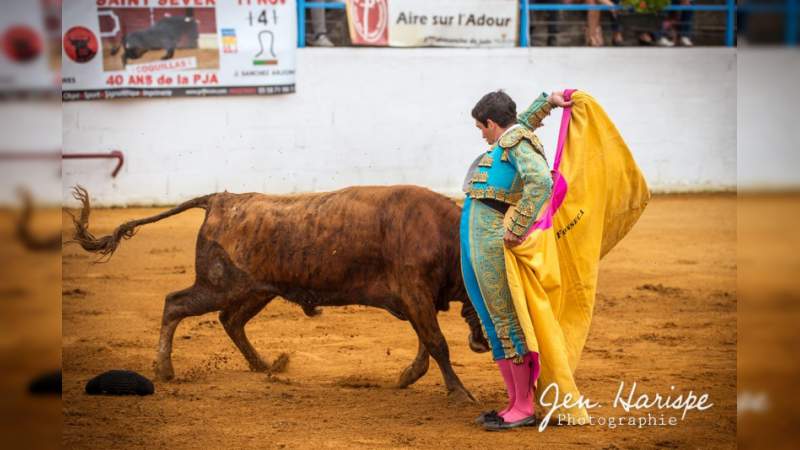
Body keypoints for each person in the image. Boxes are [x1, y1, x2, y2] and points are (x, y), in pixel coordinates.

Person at [460, 90, 571, 430]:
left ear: (492, 123)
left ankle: (523, 406)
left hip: (493, 236)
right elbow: (521, 125)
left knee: (506, 320)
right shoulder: (511, 137)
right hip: (478, 235)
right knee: (493, 319)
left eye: (482, 127)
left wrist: (518, 226)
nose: (481, 134)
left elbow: (540, 181)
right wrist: (547, 103)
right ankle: (514, 402)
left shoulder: (515, 142)